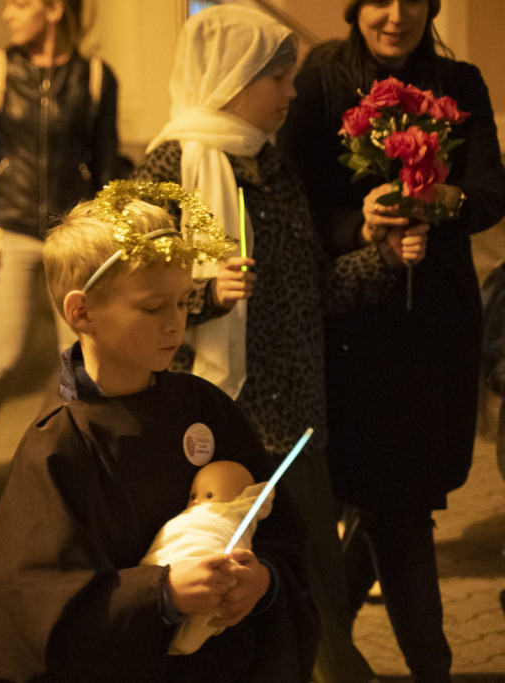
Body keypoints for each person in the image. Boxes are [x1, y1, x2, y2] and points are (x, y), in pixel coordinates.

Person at [131, 6, 427, 681]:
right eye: (279, 78)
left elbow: (313, 290)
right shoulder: (166, 170)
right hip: (207, 429)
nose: (291, 94)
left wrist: (383, 256)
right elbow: (128, 297)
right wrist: (203, 297)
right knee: (218, 595)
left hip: (295, 423)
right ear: (234, 78)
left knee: (310, 585)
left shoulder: (273, 167)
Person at [0, 181, 318, 681]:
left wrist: (262, 582)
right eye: (153, 308)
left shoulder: (206, 408)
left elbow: (283, 535)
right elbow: (29, 609)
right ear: (81, 312)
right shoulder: (58, 446)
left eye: (181, 303)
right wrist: (163, 595)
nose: (174, 325)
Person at [277, 1, 505, 679]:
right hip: (357, 323)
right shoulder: (319, 80)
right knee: (396, 502)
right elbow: (299, 198)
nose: (395, 14)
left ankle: (324, 651)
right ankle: (425, 664)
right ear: (355, 7)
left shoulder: (458, 83)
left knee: (392, 496)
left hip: (437, 319)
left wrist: (446, 201)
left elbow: (492, 190)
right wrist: (360, 223)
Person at [0, 0, 118, 493]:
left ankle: (64, 455)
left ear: (52, 9)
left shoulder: (94, 76)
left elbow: (106, 162)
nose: (7, 13)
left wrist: (108, 235)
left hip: (71, 233)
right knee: (2, 357)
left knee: (73, 354)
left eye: (19, 4)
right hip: (9, 230)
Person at [140, 460, 272, 656]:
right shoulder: (185, 518)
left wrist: (262, 578)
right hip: (162, 584)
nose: (198, 502)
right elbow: (174, 538)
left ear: (243, 499)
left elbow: (212, 536)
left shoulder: (233, 515)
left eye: (209, 495)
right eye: (193, 496)